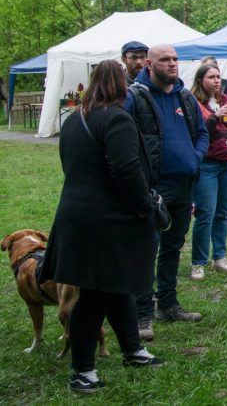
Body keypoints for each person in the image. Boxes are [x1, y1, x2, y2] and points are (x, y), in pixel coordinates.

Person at [41, 61, 162, 394]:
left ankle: (132, 349)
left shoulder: (73, 121)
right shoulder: (118, 119)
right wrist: (145, 208)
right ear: (122, 86)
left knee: (116, 285)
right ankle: (82, 371)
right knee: (94, 296)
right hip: (107, 220)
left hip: (77, 214)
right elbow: (127, 171)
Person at [124, 44, 208, 341]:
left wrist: (195, 158)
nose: (172, 64)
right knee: (148, 249)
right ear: (149, 64)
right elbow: (123, 140)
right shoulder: (135, 97)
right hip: (153, 188)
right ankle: (142, 313)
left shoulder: (185, 96)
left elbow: (201, 133)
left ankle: (168, 304)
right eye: (165, 60)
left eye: (175, 59)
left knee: (173, 247)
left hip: (184, 186)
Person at [189, 62, 227, 281]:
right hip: (208, 164)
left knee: (222, 212)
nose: (216, 80)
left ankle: (219, 257)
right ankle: (198, 262)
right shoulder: (193, 103)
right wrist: (216, 116)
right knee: (205, 213)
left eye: (218, 77)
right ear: (201, 80)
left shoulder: (226, 100)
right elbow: (197, 130)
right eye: (211, 77)